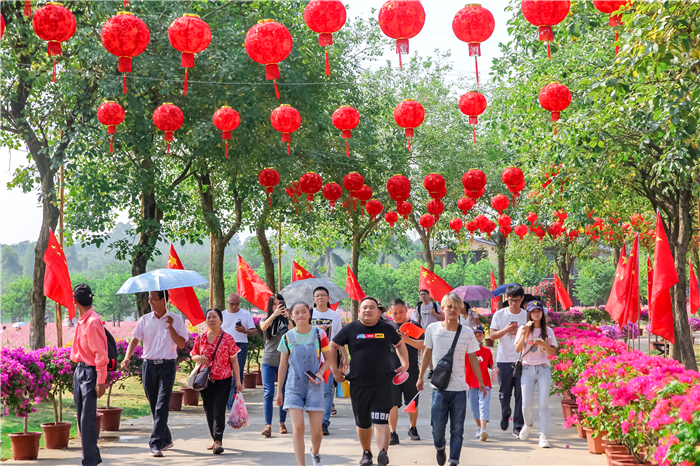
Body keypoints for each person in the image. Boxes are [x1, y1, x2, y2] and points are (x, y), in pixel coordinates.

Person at [330, 296, 409, 466]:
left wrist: (405, 364)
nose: (367, 310)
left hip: (382, 384)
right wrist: (335, 370)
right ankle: (366, 453)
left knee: (381, 420)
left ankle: (382, 453)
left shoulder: (387, 329)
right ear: (359, 311)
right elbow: (332, 346)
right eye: (364, 307)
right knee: (363, 422)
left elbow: (400, 344)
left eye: (371, 307)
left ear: (378, 312)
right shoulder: (350, 329)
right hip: (358, 384)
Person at [417, 292, 487, 466]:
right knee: (438, 428)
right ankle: (440, 447)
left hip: (459, 389)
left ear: (460, 309)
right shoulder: (433, 329)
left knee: (457, 428)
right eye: (449, 306)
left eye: (456, 306)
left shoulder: (467, 332)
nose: (452, 309)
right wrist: (420, 378)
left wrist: (480, 381)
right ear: (443, 308)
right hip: (439, 388)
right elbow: (427, 353)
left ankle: (454, 460)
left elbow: (472, 357)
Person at [121, 290, 188, 457]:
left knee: (162, 405)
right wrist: (127, 357)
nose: (150, 302)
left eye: (153, 299)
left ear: (163, 300)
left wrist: (170, 326)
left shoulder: (176, 319)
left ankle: (155, 443)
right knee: (154, 406)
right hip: (148, 367)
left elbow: (181, 344)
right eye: (149, 299)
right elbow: (135, 339)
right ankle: (166, 438)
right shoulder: (144, 320)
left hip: (167, 366)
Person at [277, 302, 333, 466]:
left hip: (314, 385)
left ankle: (315, 453)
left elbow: (328, 358)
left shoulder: (319, 334)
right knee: (298, 427)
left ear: (309, 314)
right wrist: (279, 391)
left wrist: (320, 373)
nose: (300, 315)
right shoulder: (287, 337)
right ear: (291, 315)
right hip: (293, 387)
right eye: (297, 312)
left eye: (304, 312)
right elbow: (282, 365)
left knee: (316, 431)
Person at [190, 308, 243, 454]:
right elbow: (193, 355)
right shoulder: (200, 338)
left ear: (221, 320)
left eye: (214, 317)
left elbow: (234, 361)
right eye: (208, 317)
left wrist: (238, 381)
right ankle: (213, 438)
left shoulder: (228, 338)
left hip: (224, 380)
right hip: (205, 380)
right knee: (209, 410)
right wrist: (199, 358)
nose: (211, 320)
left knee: (219, 409)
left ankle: (218, 440)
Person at [69, 284, 108, 466]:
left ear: (75, 300)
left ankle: (89, 460)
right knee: (81, 416)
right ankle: (93, 455)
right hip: (80, 371)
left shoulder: (93, 321)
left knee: (87, 419)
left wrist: (101, 381)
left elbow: (101, 354)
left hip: (90, 373)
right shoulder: (82, 320)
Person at [515, 300, 558, 448]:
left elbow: (553, 353)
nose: (536, 313)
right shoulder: (523, 328)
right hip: (527, 369)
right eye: (533, 311)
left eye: (538, 311)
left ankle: (543, 436)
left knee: (544, 404)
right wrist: (523, 335)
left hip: (543, 369)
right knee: (526, 404)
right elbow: (517, 349)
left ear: (542, 313)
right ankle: (528, 424)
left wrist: (544, 344)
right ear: (529, 314)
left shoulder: (548, 331)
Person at [488, 284, 528, 437]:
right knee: (504, 393)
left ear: (522, 299)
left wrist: (521, 333)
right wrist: (506, 330)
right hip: (504, 360)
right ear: (506, 298)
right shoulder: (499, 314)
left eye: (516, 300)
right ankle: (505, 411)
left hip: (522, 360)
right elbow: (492, 336)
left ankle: (518, 426)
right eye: (510, 300)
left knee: (520, 394)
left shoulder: (526, 315)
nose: (513, 303)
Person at [310, 286, 348, 436]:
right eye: (317, 295)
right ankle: (314, 421)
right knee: (312, 391)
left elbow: (339, 337)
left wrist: (344, 355)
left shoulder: (335, 315)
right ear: (313, 299)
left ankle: (324, 422)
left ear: (328, 298)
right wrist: (316, 328)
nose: (320, 298)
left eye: (323, 295)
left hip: (327, 358)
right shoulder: (308, 314)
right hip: (310, 357)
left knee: (326, 391)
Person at [387, 298, 424, 445]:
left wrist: (408, 341)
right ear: (390, 313)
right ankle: (393, 432)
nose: (398, 315)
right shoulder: (387, 327)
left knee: (412, 402)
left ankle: (412, 428)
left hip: (412, 371)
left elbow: (424, 345)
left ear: (406, 311)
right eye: (394, 313)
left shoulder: (414, 326)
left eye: (401, 312)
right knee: (393, 404)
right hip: (392, 371)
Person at [259, 293, 292, 437]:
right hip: (268, 361)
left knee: (283, 393)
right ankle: (268, 425)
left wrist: (287, 317)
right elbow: (263, 327)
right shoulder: (265, 319)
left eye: (279, 303)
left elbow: (293, 332)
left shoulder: (287, 321)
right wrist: (274, 314)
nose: (277, 306)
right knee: (268, 393)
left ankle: (282, 423)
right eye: (274, 304)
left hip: (284, 363)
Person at [221, 293, 257, 410]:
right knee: (224, 374)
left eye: (237, 304)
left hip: (240, 345)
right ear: (228, 303)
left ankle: (233, 402)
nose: (234, 306)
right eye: (232, 304)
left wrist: (244, 331)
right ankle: (225, 399)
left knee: (237, 373)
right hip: (225, 346)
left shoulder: (246, 314)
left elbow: (254, 331)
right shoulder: (222, 315)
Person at [465, 325, 498, 441]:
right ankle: (479, 427)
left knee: (484, 405)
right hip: (470, 383)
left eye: (480, 335)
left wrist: (493, 367)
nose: (477, 337)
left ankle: (483, 429)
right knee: (474, 408)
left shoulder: (487, 351)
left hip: (485, 383)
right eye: (475, 335)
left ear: (484, 336)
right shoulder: (466, 351)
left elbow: (489, 364)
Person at [414, 289, 444, 378]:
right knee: (426, 351)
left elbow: (442, 318)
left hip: (436, 331)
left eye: (424, 294)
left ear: (428, 295)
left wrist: (434, 314)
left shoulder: (434, 305)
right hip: (424, 332)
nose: (423, 296)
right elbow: (418, 322)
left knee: (437, 350)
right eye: (421, 294)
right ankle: (431, 370)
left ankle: (438, 368)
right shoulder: (419, 308)